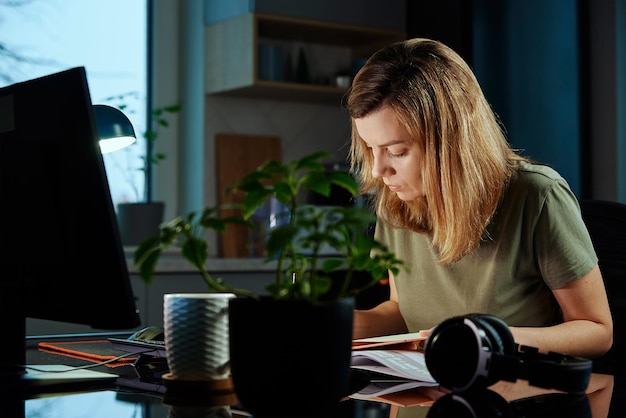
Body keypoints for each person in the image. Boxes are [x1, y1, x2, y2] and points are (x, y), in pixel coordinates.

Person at [346, 38, 612, 359]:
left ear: (450, 140)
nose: (378, 170)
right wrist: (329, 324)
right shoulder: (395, 202)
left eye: (397, 151)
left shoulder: (537, 195)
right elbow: (403, 311)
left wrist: (491, 338)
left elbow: (597, 331)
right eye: (370, 148)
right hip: (417, 400)